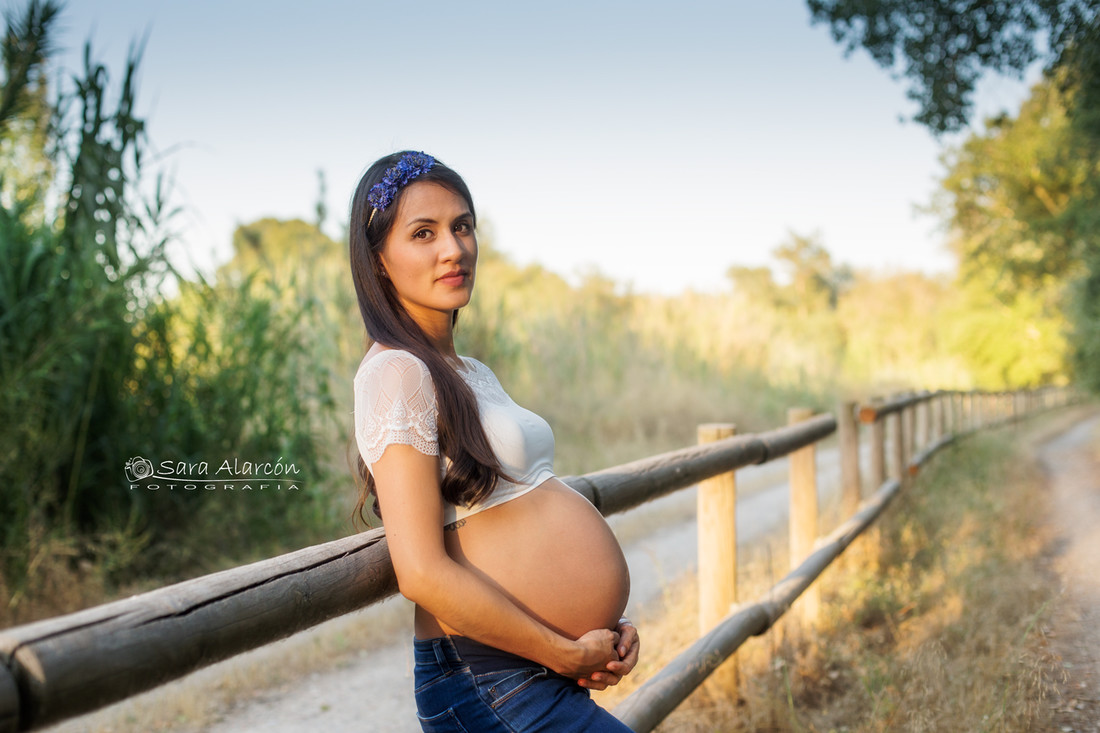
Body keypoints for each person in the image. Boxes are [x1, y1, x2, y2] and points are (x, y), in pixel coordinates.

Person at [349, 151, 639, 732]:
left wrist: (601, 629)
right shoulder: (396, 373)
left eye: (462, 226)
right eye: (423, 233)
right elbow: (421, 572)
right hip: (489, 680)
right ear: (379, 260)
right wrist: (559, 650)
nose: (453, 248)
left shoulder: (468, 371)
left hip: (529, 667)